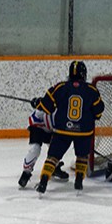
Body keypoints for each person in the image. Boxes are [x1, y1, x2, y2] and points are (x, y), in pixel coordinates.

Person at [35, 60, 104, 195]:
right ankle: (79, 181)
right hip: (84, 132)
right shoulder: (91, 90)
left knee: (53, 157)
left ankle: (43, 181)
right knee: (82, 156)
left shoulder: (60, 87)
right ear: (84, 74)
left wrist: (37, 102)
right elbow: (98, 112)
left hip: (62, 130)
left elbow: (46, 107)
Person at [17, 101, 69, 188]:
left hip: (53, 128)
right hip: (39, 126)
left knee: (55, 149)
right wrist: (40, 103)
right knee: (35, 149)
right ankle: (26, 173)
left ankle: (54, 168)